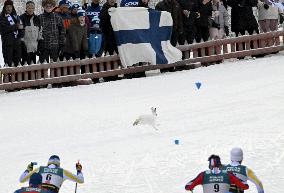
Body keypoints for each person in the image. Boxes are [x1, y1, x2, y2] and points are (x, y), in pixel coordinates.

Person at [185, 154, 249, 193]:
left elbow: (188, 186)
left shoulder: (203, 175)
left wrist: (190, 187)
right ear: (220, 164)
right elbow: (245, 186)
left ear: (210, 165)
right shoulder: (228, 174)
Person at [19, 155, 84, 193]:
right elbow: (81, 180)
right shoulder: (62, 171)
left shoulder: (40, 169)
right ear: (58, 163)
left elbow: (21, 180)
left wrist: (28, 170)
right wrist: (79, 170)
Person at [0, 0, 23, 67]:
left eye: (10, 6)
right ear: (4, 8)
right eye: (7, 7)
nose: (9, 8)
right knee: (9, 64)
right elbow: (3, 29)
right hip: (7, 45)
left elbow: (21, 26)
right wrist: (15, 26)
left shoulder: (16, 16)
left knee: (18, 63)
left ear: (12, 7)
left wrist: (21, 33)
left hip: (17, 44)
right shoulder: (2, 18)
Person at [20, 1, 42, 65]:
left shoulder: (36, 18)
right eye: (29, 8)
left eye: (32, 8)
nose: (31, 9)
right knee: (25, 67)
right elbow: (19, 32)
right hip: (25, 47)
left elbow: (40, 31)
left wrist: (40, 43)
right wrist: (21, 44)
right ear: (26, 8)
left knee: (33, 66)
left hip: (34, 48)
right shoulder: (21, 18)